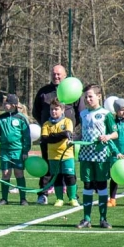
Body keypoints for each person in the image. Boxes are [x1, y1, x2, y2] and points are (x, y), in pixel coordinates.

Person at [33, 65, 82, 204]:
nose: (56, 76)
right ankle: (43, 194)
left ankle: (73, 196)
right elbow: (36, 112)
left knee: (69, 170)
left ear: (65, 75)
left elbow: (80, 112)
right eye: (54, 74)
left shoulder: (73, 90)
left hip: (67, 141)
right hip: (48, 139)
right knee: (47, 168)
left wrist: (69, 127)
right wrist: (49, 126)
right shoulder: (43, 92)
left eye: (59, 74)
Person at [76, 86, 118, 228]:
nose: (87, 99)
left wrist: (107, 136)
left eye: (90, 96)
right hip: (86, 155)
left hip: (101, 155)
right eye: (86, 97)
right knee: (87, 185)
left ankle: (103, 218)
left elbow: (115, 134)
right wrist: (73, 139)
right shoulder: (83, 114)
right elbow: (82, 134)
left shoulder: (106, 114)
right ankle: (86, 218)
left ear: (99, 96)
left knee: (101, 186)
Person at [0, 94, 31, 205]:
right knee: (6, 174)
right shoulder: (0, 118)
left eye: (6, 103)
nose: (4, 105)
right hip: (4, 151)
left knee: (19, 173)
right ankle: (4, 198)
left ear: (13, 105)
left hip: (18, 151)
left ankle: (23, 199)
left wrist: (25, 151)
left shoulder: (21, 118)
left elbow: (26, 136)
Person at [40, 100, 77, 209]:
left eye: (56, 109)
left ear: (62, 110)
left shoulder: (67, 121)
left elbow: (68, 134)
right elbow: (45, 139)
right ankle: (59, 198)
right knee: (57, 178)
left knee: (70, 177)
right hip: (53, 156)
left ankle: (72, 198)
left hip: (67, 155)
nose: (53, 111)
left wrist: (54, 136)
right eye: (51, 109)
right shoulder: (46, 124)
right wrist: (61, 135)